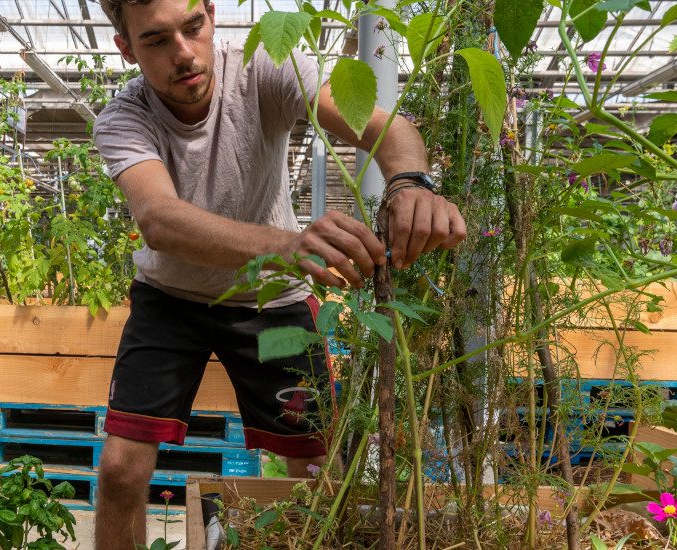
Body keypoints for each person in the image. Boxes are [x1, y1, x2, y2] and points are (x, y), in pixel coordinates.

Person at [91, 0, 467, 546]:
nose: (184, 54)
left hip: (272, 301)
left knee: (316, 470)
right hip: (170, 299)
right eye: (155, 40)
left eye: (193, 27)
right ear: (125, 46)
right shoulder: (124, 119)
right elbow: (160, 220)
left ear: (211, 14)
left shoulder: (267, 64)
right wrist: (288, 245)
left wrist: (409, 182)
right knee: (121, 470)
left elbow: (386, 128)